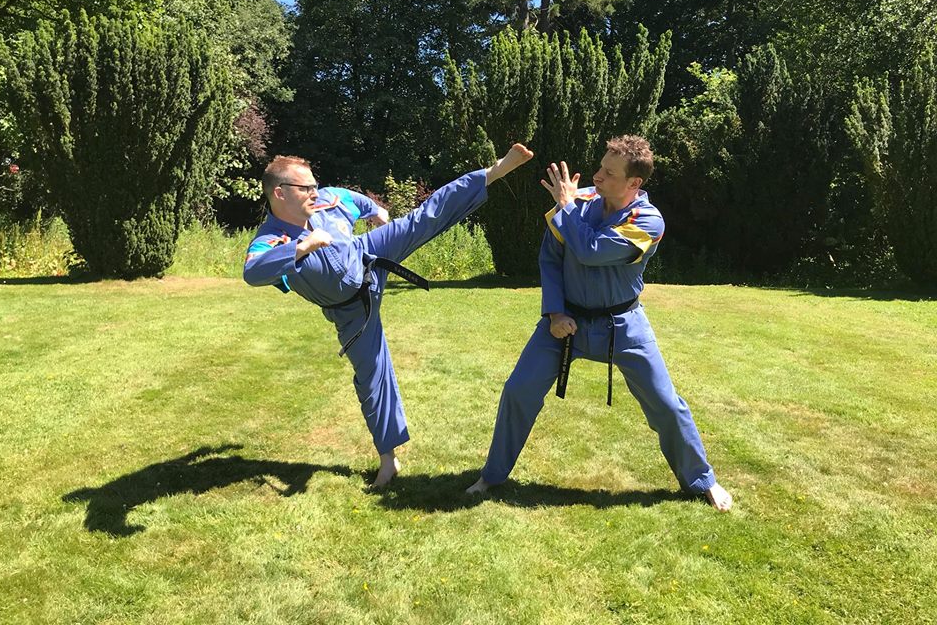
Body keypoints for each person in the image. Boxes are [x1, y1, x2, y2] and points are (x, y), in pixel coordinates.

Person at [466, 135, 732, 512]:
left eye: (609, 173)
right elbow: (550, 258)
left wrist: (566, 207)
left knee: (666, 405)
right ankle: (491, 476)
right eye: (601, 167)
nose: (597, 176)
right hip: (565, 321)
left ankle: (702, 480)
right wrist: (555, 313)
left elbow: (592, 251)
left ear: (634, 182)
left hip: (623, 326)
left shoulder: (648, 222)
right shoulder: (581, 201)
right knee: (518, 390)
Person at [244, 143, 534, 487]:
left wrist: (377, 211)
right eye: (305, 188)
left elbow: (354, 199)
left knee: (422, 219)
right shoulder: (271, 239)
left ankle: (493, 172)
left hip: (368, 254)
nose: (314, 193)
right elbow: (253, 271)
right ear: (280, 193)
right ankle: (388, 460)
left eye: (314, 185)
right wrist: (303, 246)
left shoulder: (329, 200)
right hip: (351, 312)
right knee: (372, 377)